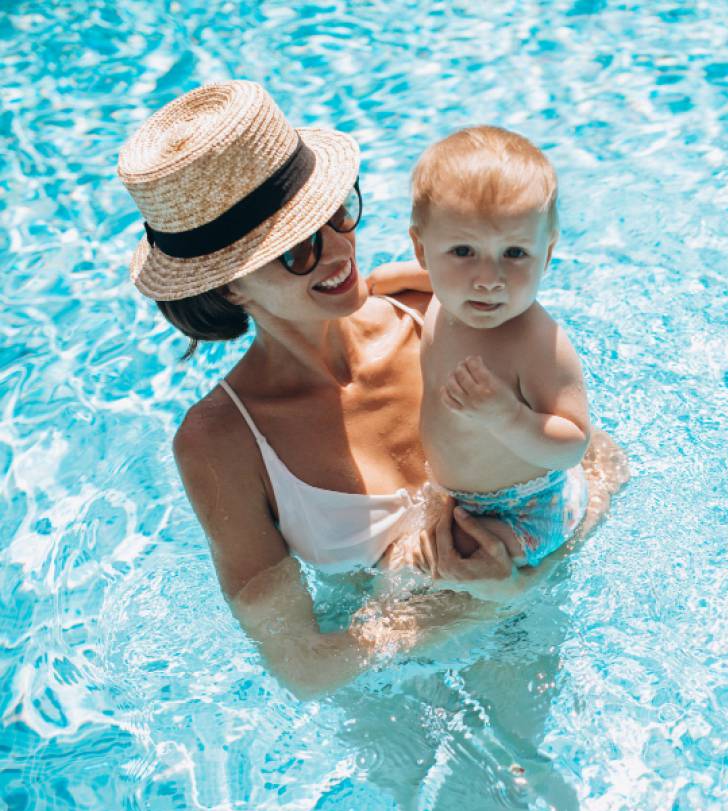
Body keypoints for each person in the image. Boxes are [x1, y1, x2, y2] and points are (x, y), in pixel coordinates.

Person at [116, 80, 627, 703]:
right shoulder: (222, 443)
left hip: (530, 634)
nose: (337, 250)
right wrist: (479, 604)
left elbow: (604, 463)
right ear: (228, 287)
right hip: (396, 698)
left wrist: (528, 579)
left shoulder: (445, 309)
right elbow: (301, 664)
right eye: (296, 249)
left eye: (336, 213)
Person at [370, 126, 590, 571]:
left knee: (440, 573)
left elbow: (571, 444)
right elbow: (402, 280)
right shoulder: (443, 292)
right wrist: (381, 283)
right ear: (422, 250)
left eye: (514, 253)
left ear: (546, 255)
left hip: (526, 508)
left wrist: (507, 417)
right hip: (463, 494)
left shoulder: (534, 341)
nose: (488, 277)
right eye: (464, 250)